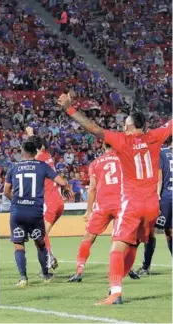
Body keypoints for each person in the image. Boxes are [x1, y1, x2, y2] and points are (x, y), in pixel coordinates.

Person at [59, 91, 172, 305]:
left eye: (124, 125)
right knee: (133, 246)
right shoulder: (156, 136)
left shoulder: (122, 141)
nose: (122, 127)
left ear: (129, 127)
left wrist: (69, 108)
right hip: (152, 205)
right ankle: (117, 286)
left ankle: (115, 293)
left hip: (132, 203)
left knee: (116, 248)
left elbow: (92, 128)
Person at [68, 143, 139, 282]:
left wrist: (88, 210)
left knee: (88, 238)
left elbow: (92, 188)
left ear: (103, 147)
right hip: (121, 203)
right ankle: (127, 268)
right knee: (123, 239)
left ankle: (79, 271)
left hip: (103, 205)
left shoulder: (95, 163)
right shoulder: (125, 159)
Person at [4, 141, 70, 287]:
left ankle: (23, 278)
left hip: (18, 211)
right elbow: (61, 181)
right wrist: (65, 188)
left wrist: (15, 201)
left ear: (22, 152)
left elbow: (6, 190)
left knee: (18, 245)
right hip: (35, 211)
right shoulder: (42, 166)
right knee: (40, 243)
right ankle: (46, 275)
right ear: (35, 153)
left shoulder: (13, 167)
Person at [26, 127, 68, 270]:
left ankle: (49, 258)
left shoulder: (37, 160)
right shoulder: (47, 155)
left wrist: (30, 135)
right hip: (59, 202)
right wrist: (31, 135)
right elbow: (38, 144)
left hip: (49, 202)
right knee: (41, 233)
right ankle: (49, 257)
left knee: (40, 234)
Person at [136, 136, 173, 275]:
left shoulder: (159, 152)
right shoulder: (169, 152)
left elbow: (159, 176)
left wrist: (156, 196)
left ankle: (146, 267)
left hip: (163, 197)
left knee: (148, 231)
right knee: (170, 232)